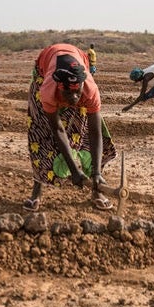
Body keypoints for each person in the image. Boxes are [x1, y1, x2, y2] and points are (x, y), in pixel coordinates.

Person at [24, 43, 118, 212]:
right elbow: (57, 130)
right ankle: (37, 189)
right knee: (40, 134)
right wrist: (74, 170)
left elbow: (94, 132)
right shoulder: (47, 90)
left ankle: (97, 187)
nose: (74, 98)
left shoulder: (90, 90)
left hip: (73, 65)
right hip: (43, 70)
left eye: (78, 92)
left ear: (83, 84)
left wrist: (96, 172)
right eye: (69, 93)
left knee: (81, 133)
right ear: (60, 88)